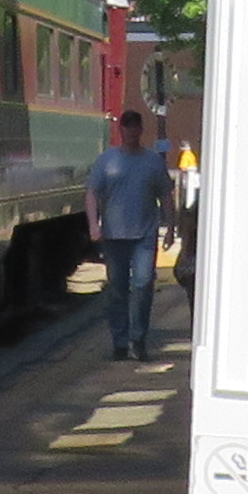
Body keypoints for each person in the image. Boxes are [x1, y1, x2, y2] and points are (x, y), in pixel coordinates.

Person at [84, 113, 176, 358]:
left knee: (143, 284)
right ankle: (120, 340)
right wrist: (94, 225)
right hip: (114, 235)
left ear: (141, 131)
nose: (132, 133)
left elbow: (166, 195)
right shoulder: (107, 161)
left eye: (136, 129)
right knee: (117, 288)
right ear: (121, 131)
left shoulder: (153, 162)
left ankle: (138, 337)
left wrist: (171, 229)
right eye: (128, 128)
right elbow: (92, 193)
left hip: (144, 235)